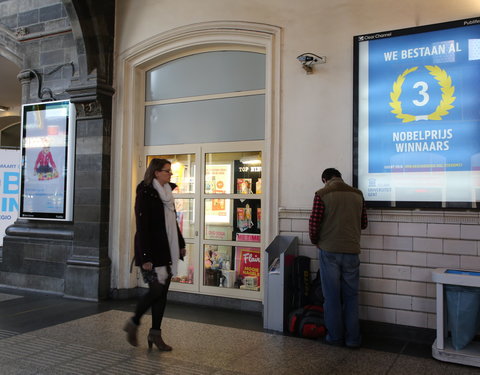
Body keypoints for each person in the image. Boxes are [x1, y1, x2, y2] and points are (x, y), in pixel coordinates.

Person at [123, 158, 186, 351]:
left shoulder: (168, 194)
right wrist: (146, 256)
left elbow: (172, 221)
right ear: (156, 172)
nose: (170, 175)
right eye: (167, 171)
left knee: (162, 293)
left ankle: (155, 333)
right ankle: (133, 323)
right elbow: (142, 227)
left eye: (170, 172)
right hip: (150, 250)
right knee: (156, 290)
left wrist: (181, 244)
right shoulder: (145, 193)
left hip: (166, 249)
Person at [308, 168, 368, 348]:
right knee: (351, 296)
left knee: (332, 297)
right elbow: (363, 223)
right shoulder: (357, 194)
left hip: (329, 251)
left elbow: (314, 223)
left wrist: (316, 241)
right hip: (351, 251)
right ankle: (353, 339)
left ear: (325, 179)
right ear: (340, 177)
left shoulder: (322, 194)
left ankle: (335, 337)